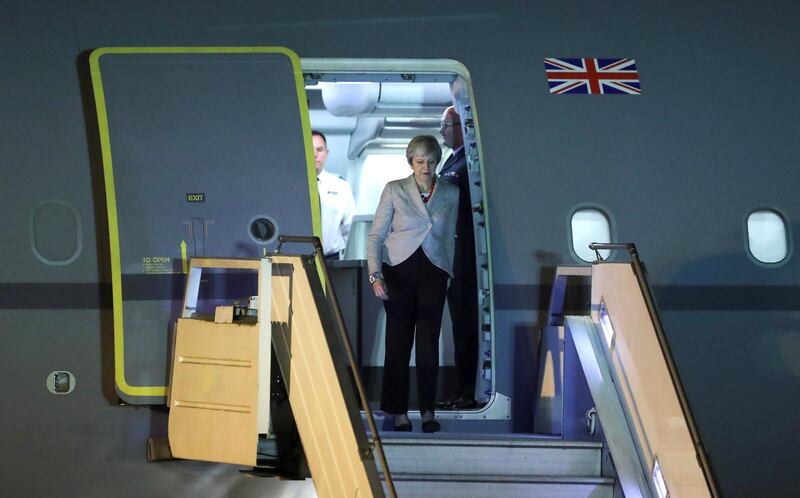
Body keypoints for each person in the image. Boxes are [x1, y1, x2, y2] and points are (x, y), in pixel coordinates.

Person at [367, 135, 459, 433]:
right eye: (420, 162)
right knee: (398, 343)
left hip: (434, 271)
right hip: (399, 271)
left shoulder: (450, 193)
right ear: (411, 162)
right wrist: (375, 274)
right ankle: (398, 411)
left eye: (431, 161)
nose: (426, 167)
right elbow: (376, 236)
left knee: (429, 344)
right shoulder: (395, 189)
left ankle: (429, 411)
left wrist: (448, 271)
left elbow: (450, 238)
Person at [436, 107, 479, 410]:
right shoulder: (454, 161)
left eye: (446, 125)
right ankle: (462, 388)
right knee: (458, 326)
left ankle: (468, 391)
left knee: (465, 325)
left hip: (463, 257)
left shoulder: (467, 165)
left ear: (461, 126)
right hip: (452, 257)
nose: (442, 132)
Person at [312, 130, 355, 260]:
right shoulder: (294, 186)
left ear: (326, 153)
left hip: (332, 259)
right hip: (301, 258)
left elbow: (349, 227)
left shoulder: (341, 186)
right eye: (310, 149)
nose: (314, 154)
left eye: (319, 150)